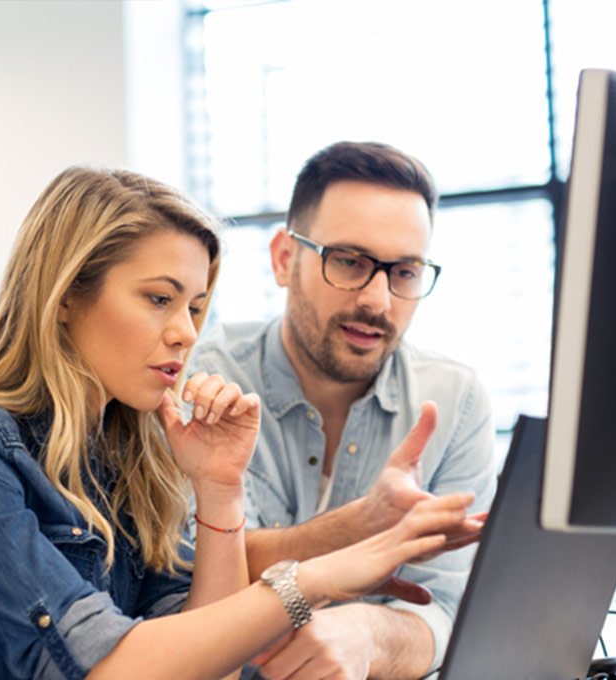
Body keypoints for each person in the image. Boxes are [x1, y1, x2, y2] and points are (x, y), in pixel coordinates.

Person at [0, 165, 476, 680]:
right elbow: (108, 669)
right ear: (65, 295)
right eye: (160, 299)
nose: (186, 333)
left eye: (195, 307)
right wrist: (314, 578)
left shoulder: (123, 453)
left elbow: (203, 666)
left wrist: (219, 489)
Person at [187, 141, 497, 680]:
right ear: (285, 259)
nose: (378, 300)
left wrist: (370, 636)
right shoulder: (203, 383)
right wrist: (363, 525)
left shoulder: (456, 401)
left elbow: (452, 608)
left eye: (404, 272)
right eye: (350, 261)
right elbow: (195, 575)